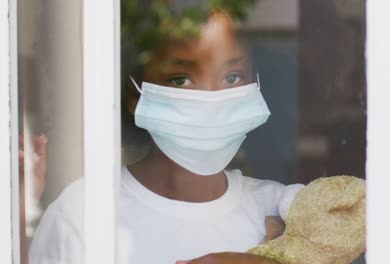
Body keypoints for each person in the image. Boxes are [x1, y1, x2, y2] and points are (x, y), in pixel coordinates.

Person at [28, 10, 297, 264]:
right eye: (180, 79)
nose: (210, 99)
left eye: (232, 77)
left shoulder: (284, 211)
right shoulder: (83, 214)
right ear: (135, 95)